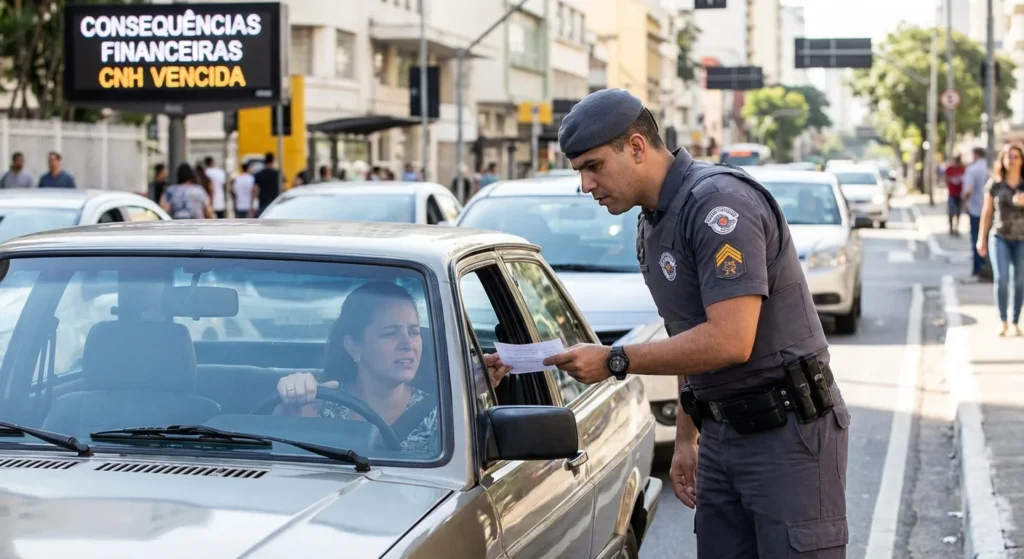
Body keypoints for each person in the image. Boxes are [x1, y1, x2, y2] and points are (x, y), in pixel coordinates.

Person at [543, 88, 851, 558]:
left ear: (637, 147)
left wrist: (615, 359)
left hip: (788, 435)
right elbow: (687, 337)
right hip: (723, 432)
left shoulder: (718, 205)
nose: (586, 185)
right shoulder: (652, 222)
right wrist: (688, 436)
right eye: (579, 171)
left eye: (594, 166)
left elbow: (729, 340)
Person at [275, 281, 512, 453]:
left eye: (414, 332)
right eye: (390, 333)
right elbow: (285, 461)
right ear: (353, 346)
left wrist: (465, 395)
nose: (408, 344)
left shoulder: (443, 412)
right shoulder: (321, 403)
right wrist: (293, 399)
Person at [977, 143, 1024, 337]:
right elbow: (987, 212)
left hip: (1022, 238)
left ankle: (1015, 321)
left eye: (1015, 156)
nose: (1012, 160)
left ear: (1021, 160)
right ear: (1003, 160)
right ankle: (1003, 320)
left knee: (1020, 281)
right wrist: (981, 238)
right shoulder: (995, 184)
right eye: (1008, 156)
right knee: (1002, 278)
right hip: (999, 236)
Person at [963, 147, 990, 279]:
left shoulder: (972, 169)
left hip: (976, 209)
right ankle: (987, 267)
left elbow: (968, 190)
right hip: (990, 211)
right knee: (988, 239)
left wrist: (964, 204)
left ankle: (978, 269)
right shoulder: (990, 167)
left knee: (977, 239)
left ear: (975, 155)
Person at [945, 154, 966, 236]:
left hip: (960, 194)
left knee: (958, 212)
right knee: (951, 211)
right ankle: (950, 227)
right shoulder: (949, 169)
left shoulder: (963, 169)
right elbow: (946, 179)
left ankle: (956, 228)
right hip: (952, 193)